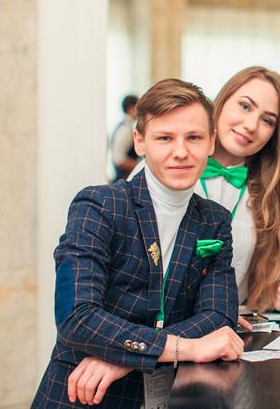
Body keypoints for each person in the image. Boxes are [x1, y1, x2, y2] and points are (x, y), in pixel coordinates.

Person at [33, 79, 244, 407]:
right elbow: (77, 316)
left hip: (172, 394)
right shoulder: (99, 206)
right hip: (83, 395)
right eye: (165, 138)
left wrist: (126, 358)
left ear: (211, 142)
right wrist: (184, 347)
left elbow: (219, 315)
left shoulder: (214, 219)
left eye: (194, 137)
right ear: (140, 142)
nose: (181, 152)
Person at [132, 67, 280, 316]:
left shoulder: (272, 196)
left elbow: (257, 286)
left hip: (231, 327)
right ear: (221, 103)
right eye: (245, 106)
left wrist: (276, 291)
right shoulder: (160, 169)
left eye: (267, 120)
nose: (251, 125)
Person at [110, 94, 139, 182]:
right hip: (122, 180)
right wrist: (142, 166)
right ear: (131, 108)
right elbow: (119, 160)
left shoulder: (127, 126)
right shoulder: (124, 129)